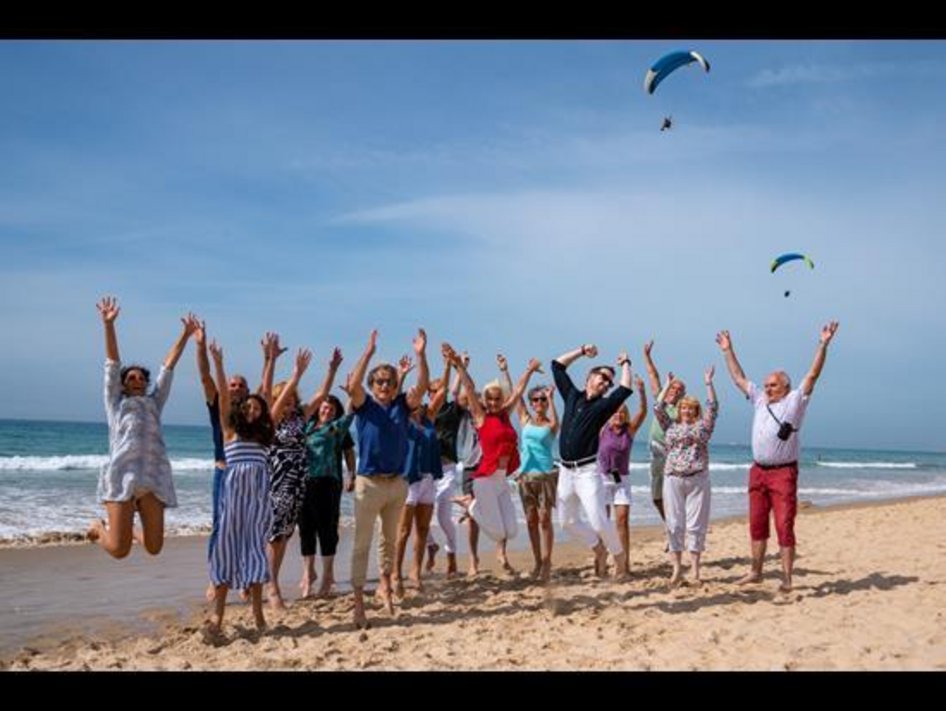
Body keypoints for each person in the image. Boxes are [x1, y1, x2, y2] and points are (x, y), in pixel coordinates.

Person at [716, 321, 840, 592]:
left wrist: (823, 344)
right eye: (766, 385)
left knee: (784, 523)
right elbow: (738, 378)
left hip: (783, 472)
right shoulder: (760, 401)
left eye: (772, 385)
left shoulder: (795, 402)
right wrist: (727, 350)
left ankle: (786, 578)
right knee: (757, 523)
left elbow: (813, 375)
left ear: (785, 386)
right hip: (757, 470)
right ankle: (756, 572)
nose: (767, 389)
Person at [205, 341, 308, 635]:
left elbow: (278, 398)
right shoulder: (229, 430)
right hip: (232, 502)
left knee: (255, 555)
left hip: (257, 504)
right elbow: (223, 395)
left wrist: (296, 375)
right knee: (224, 552)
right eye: (248, 406)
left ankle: (259, 617)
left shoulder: (265, 434)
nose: (252, 408)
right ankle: (218, 617)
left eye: (257, 406)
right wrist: (219, 364)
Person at [87, 296, 196, 559]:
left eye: (140, 378)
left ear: (146, 384)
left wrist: (185, 335)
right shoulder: (116, 403)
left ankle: (130, 529)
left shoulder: (154, 402)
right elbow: (112, 364)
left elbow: (167, 368)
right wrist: (109, 325)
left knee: (154, 547)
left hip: (153, 478)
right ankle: (99, 527)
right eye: (130, 377)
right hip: (121, 476)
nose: (136, 380)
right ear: (123, 384)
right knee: (119, 550)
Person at [347, 328, 430, 629]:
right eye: (379, 381)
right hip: (368, 483)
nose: (384, 385)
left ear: (395, 386)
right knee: (362, 544)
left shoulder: (401, 405)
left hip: (397, 484)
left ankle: (386, 590)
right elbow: (353, 385)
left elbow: (422, 386)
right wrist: (368, 352)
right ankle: (359, 602)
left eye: (389, 382)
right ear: (373, 385)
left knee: (389, 542)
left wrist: (421, 355)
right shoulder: (364, 405)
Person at [449, 346, 543, 572]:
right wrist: (459, 366)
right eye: (489, 399)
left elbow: (518, 391)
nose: (493, 402)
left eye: (497, 399)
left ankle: (471, 506)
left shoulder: (505, 414)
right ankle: (469, 504)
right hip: (484, 480)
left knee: (511, 531)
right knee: (498, 532)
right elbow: (469, 389)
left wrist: (529, 371)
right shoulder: (481, 417)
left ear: (502, 399)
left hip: (502, 480)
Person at [552, 343, 634, 578]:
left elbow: (625, 389)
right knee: (566, 522)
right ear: (590, 376)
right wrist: (581, 351)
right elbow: (557, 366)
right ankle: (598, 548)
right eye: (603, 378)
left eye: (609, 382)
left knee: (598, 521)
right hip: (565, 472)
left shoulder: (603, 406)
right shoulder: (571, 395)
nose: (606, 383)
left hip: (587, 472)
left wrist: (625, 364)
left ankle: (618, 556)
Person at [654, 368, 718, 586]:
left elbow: (713, 407)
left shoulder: (703, 428)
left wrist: (708, 383)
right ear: (679, 410)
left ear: (696, 411)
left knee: (695, 525)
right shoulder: (670, 426)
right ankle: (676, 570)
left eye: (691, 408)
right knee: (673, 524)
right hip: (673, 478)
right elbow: (658, 407)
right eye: (683, 407)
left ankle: (695, 571)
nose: (687, 411)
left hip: (697, 479)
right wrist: (667, 384)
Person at [512, 369, 560, 581]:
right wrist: (512, 371)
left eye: (543, 399)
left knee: (545, 520)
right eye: (536, 400)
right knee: (531, 521)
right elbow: (516, 393)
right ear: (531, 403)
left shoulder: (550, 425)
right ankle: (538, 562)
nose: (539, 402)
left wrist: (552, 399)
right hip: (526, 478)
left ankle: (547, 562)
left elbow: (556, 424)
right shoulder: (525, 420)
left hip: (545, 477)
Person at [597, 377, 647, 573]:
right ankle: (600, 562)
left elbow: (643, 412)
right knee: (602, 522)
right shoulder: (602, 429)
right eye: (615, 411)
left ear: (625, 415)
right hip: (602, 479)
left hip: (621, 480)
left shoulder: (629, 430)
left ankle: (624, 565)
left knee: (622, 520)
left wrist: (641, 391)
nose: (618, 415)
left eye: (621, 412)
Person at [642, 340, 685, 522]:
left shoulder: (682, 409)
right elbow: (653, 375)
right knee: (656, 496)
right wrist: (647, 356)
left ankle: (677, 524)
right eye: (673, 387)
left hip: (672, 453)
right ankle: (669, 523)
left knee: (672, 493)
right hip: (655, 451)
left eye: (679, 390)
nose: (675, 391)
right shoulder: (660, 400)